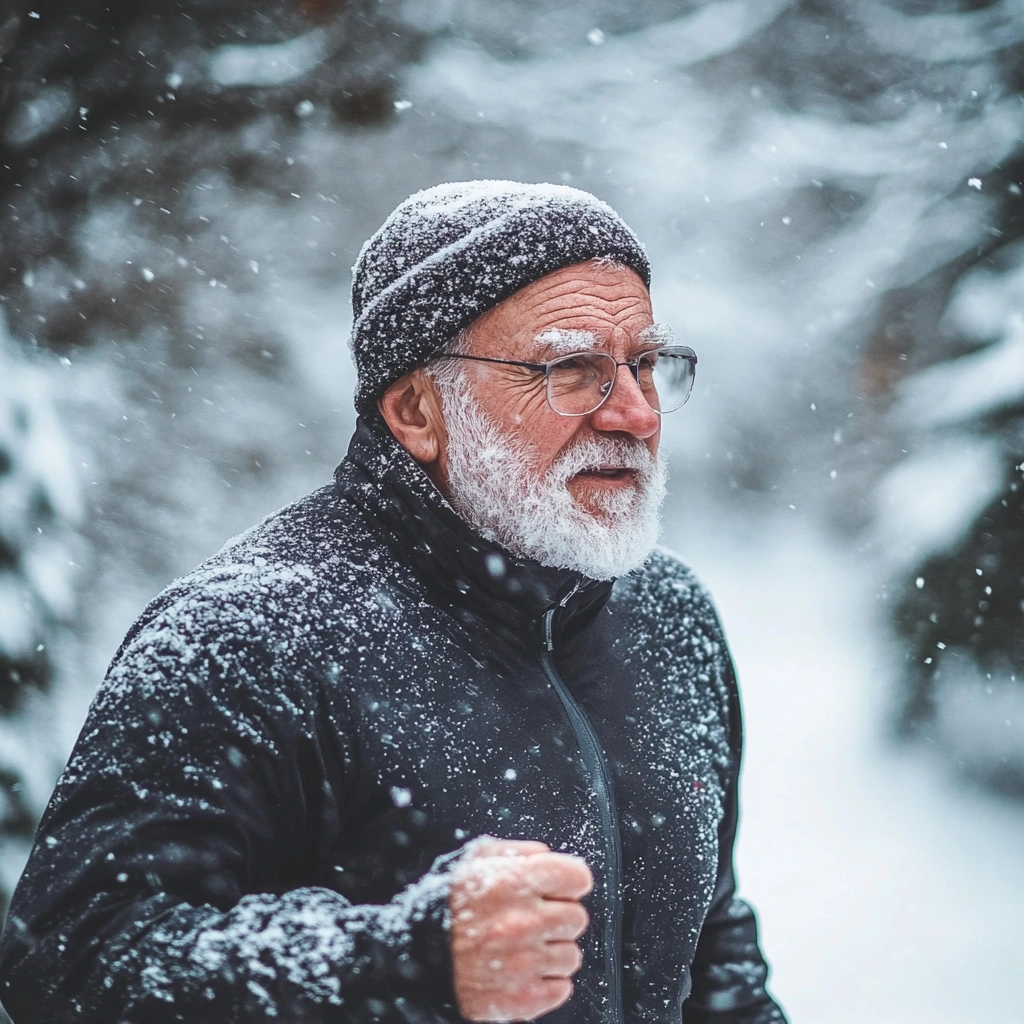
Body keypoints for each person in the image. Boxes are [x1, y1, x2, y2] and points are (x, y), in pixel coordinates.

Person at [0, 180, 787, 1024]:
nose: (634, 413)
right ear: (417, 410)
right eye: (573, 370)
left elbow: (711, 945)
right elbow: (74, 963)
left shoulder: (666, 615)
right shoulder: (253, 634)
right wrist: (401, 967)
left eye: (643, 364)